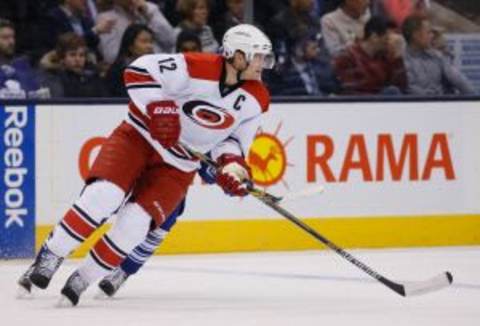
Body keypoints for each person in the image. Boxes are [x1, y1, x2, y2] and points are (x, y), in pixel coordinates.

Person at [17, 23, 274, 307]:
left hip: (179, 164)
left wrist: (231, 167)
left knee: (136, 226)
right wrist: (158, 107)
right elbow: (139, 69)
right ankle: (52, 254)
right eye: (258, 56)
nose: (263, 63)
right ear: (237, 56)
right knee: (103, 196)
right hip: (139, 137)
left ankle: (83, 278)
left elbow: (234, 142)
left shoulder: (257, 98)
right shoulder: (196, 65)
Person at [96, 161, 216, 297]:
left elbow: (207, 171)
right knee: (112, 204)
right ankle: (77, 243)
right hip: (144, 165)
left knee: (163, 224)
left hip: (172, 182)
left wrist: (218, 172)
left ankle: (123, 271)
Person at [402, 15, 476, 95]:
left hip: (444, 103)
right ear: (415, 35)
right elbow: (411, 90)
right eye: (428, 32)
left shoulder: (437, 56)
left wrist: (474, 99)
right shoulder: (402, 62)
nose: (432, 35)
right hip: (421, 105)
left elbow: (458, 79)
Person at [333, 16, 406, 95]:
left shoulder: (385, 57)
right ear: (374, 37)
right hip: (359, 103)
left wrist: (397, 57)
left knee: (393, 91)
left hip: (381, 102)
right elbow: (349, 90)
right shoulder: (347, 56)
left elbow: (401, 87)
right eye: (387, 39)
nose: (389, 43)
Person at [97, 0, 176, 64]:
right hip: (132, 69)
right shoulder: (106, 19)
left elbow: (171, 40)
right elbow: (110, 57)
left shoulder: (150, 9)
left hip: (162, 62)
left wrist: (148, 16)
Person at [38, 32, 107, 97]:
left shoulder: (92, 76)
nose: (78, 59)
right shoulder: (53, 77)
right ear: (62, 58)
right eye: (72, 55)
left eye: (81, 55)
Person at [0, 18, 49, 99]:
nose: (11, 42)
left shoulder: (21, 64)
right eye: (5, 38)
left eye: (12, 37)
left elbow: (34, 91)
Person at [105, 24, 155, 97]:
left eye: (151, 42)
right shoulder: (117, 71)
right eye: (144, 41)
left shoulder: (156, 69)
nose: (150, 46)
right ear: (130, 46)